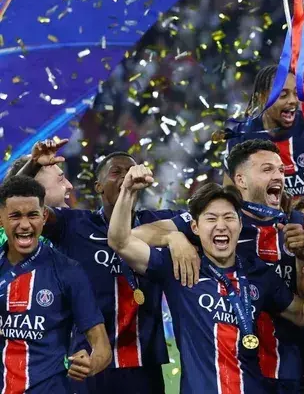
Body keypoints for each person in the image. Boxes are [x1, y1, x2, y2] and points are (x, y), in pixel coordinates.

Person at [107, 172, 304, 394]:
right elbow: (119, 241)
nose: (221, 226)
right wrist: (129, 191)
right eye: (211, 218)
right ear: (195, 228)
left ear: (240, 225)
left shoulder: (257, 272)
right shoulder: (177, 266)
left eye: (228, 217)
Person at [19, 145, 198, 393]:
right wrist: (32, 166)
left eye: (130, 171)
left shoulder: (159, 222)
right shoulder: (73, 224)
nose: (125, 177)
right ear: (99, 186)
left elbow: (211, 217)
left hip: (144, 365)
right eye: (116, 172)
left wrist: (175, 236)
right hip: (89, 362)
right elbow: (15, 203)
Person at [0, 176, 111, 393]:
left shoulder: (68, 271)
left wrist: (91, 364)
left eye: (33, 215)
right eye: (15, 216)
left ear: (44, 216)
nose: (25, 225)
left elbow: (102, 348)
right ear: (1, 219)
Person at [224, 67, 304, 205]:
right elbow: (230, 193)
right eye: (283, 95)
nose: (293, 100)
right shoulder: (241, 136)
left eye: (296, 93)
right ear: (262, 98)